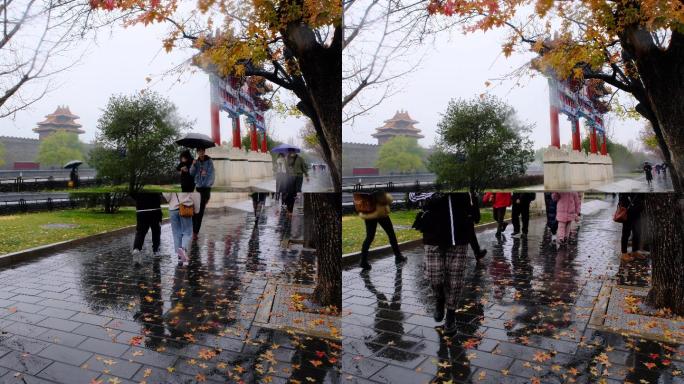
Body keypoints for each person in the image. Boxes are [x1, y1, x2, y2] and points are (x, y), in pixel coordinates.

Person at [412, 193, 472, 333]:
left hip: (460, 235)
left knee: (455, 281)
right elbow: (413, 196)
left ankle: (451, 314)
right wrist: (435, 192)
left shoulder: (462, 175)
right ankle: (439, 298)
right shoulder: (426, 176)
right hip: (433, 236)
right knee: (435, 277)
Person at [357, 191, 405, 270]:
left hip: (369, 214)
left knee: (369, 237)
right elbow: (389, 199)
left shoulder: (364, 192)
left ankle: (363, 260)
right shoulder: (379, 190)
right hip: (380, 213)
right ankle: (398, 256)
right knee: (391, 234)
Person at [163, 191, 201, 266]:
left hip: (173, 209)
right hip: (185, 207)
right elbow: (195, 194)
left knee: (176, 234)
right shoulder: (188, 179)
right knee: (187, 233)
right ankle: (183, 252)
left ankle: (180, 257)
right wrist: (197, 209)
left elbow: (167, 195)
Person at [189, 147, 215, 239]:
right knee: (194, 210)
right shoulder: (196, 162)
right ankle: (193, 230)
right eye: (199, 151)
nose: (201, 152)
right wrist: (193, 165)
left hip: (206, 189)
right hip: (198, 188)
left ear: (204, 151)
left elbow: (212, 174)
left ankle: (195, 232)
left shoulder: (209, 161)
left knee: (200, 212)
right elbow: (191, 173)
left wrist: (207, 181)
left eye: (202, 151)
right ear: (197, 152)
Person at [131, 192, 163, 264]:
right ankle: (156, 251)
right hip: (155, 208)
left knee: (140, 231)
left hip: (141, 209)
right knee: (156, 231)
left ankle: (137, 248)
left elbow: (132, 191)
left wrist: (138, 198)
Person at [618, 193, 644, 262]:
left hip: (637, 210)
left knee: (637, 232)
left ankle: (635, 251)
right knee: (626, 232)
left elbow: (642, 196)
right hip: (628, 211)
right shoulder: (626, 185)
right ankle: (624, 253)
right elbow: (622, 196)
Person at [466, 190, 487, 261]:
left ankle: (477, 252)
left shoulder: (472, 191)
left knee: (471, 234)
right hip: (462, 215)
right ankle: (477, 252)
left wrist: (476, 217)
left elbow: (475, 204)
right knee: (470, 234)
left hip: (469, 216)